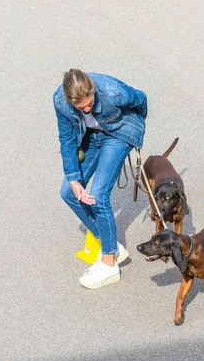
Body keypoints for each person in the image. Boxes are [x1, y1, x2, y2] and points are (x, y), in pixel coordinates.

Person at [54, 69, 147, 289]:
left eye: (89, 103)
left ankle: (109, 263)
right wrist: (74, 178)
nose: (86, 109)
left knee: (98, 195)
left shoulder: (113, 92)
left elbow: (141, 100)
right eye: (81, 108)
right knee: (68, 192)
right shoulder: (60, 101)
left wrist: (133, 134)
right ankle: (111, 243)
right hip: (90, 137)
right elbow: (66, 139)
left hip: (117, 135)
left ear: (92, 90)